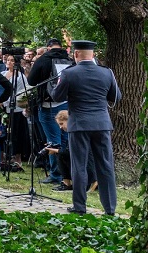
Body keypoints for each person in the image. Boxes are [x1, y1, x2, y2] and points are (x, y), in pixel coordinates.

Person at [50, 40, 120, 215]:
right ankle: (110, 207)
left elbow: (57, 97)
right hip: (102, 123)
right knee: (105, 165)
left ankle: (80, 206)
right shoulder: (107, 73)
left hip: (79, 124)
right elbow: (116, 96)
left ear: (75, 54)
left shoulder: (69, 73)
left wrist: (52, 87)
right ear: (93, 54)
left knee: (79, 165)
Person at [26, 38, 74, 185]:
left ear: (48, 48)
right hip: (66, 102)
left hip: (48, 104)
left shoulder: (43, 59)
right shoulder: (69, 59)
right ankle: (69, 172)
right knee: (66, 139)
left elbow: (32, 81)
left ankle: (56, 174)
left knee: (53, 141)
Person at [46, 109, 97, 194]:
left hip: (88, 162)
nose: (60, 127)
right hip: (82, 159)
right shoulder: (72, 131)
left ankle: (93, 181)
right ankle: (67, 182)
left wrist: (56, 150)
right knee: (60, 154)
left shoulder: (76, 131)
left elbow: (72, 151)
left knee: (60, 154)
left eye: (61, 124)